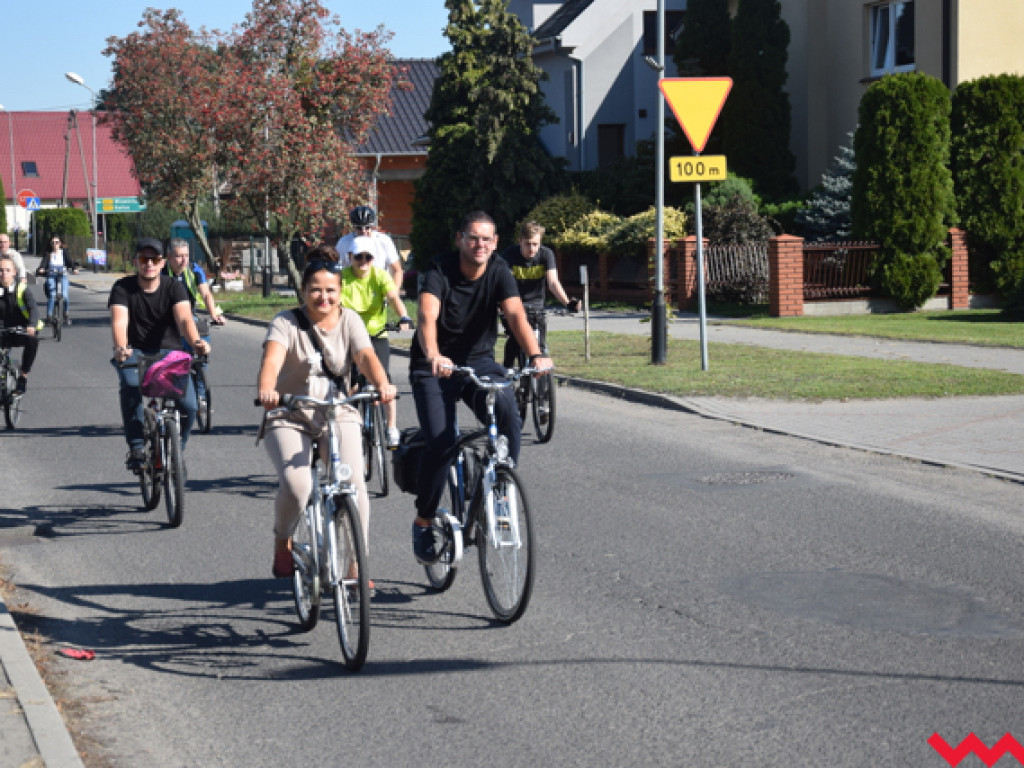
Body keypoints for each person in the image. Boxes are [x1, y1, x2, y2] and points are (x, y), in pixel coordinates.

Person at [409, 211, 553, 564]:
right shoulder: (439, 270)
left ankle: (501, 488)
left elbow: (516, 315)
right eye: (473, 238)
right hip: (434, 364)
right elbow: (427, 316)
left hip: (479, 360)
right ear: (460, 238)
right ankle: (424, 520)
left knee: (508, 412)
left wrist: (535, 354)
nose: (480, 245)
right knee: (442, 443)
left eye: (487, 239)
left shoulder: (500, 271)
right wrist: (434, 355)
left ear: (495, 242)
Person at [257, 245, 397, 580]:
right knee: (297, 485)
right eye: (315, 290)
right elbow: (272, 361)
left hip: (337, 412)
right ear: (303, 291)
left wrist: (382, 383)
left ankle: (354, 564)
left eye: (330, 290)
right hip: (290, 413)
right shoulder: (285, 322)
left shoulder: (350, 319)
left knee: (354, 486)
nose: (324, 297)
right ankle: (283, 540)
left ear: (341, 291)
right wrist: (267, 389)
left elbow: (366, 356)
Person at [109, 238, 211, 470]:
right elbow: (119, 322)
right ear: (136, 261)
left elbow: (184, 319)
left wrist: (196, 342)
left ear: (162, 262)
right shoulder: (122, 288)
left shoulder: (174, 287)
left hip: (169, 353)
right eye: (144, 259)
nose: (149, 264)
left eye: (154, 259)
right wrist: (121, 348)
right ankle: (136, 446)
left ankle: (177, 450)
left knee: (190, 406)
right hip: (135, 352)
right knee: (130, 386)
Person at [340, 236, 413, 447]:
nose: (363, 261)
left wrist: (403, 317)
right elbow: (333, 304)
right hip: (350, 335)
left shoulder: (379, 275)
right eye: (358, 257)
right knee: (349, 383)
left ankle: (391, 428)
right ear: (350, 257)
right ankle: (345, 422)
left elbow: (393, 297)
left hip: (376, 333)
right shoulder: (342, 278)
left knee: (384, 382)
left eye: (368, 257)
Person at [499, 220, 581, 369]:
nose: (532, 248)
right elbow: (501, 284)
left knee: (540, 345)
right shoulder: (508, 256)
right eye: (528, 244)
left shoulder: (546, 255)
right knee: (516, 338)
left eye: (535, 244)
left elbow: (553, 283)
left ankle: (543, 384)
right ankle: (507, 371)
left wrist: (567, 303)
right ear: (520, 241)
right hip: (513, 306)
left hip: (537, 307)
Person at [164, 238, 225, 404]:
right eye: (179, 256)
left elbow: (205, 294)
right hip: (165, 319)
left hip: (188, 317)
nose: (184, 260)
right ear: (169, 257)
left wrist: (213, 314)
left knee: (200, 356)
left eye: (186, 255)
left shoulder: (194, 269)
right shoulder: (161, 272)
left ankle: (200, 397)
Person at [335, 206, 404, 292]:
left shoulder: (384, 241)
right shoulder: (344, 242)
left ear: (372, 226)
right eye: (359, 228)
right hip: (352, 289)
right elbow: (336, 271)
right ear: (353, 227)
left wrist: (393, 294)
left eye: (367, 227)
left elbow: (397, 270)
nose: (363, 231)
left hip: (377, 288)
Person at [0, 255, 39, 393]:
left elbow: (33, 308)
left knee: (32, 341)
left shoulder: (22, 289)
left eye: (7, 270)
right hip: (2, 331)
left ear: (14, 272)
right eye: (0, 270)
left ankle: (23, 377)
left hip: (20, 331)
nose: (3, 273)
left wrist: (31, 325)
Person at [37, 235, 78, 324]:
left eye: (57, 242)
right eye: (53, 243)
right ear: (50, 244)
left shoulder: (64, 252)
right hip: (51, 275)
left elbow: (70, 262)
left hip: (62, 275)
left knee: (65, 296)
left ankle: (66, 314)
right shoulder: (48, 253)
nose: (55, 244)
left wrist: (74, 268)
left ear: (60, 243)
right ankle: (49, 316)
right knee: (52, 295)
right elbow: (43, 263)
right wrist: (42, 269)